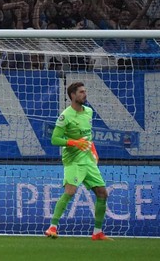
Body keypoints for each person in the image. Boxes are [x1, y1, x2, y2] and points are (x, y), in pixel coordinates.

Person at [45, 81, 110, 241]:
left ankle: (97, 232)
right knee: (70, 191)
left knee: (102, 193)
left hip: (88, 159)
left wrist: (93, 150)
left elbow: (88, 136)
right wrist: (74, 143)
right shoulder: (65, 116)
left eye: (85, 91)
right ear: (73, 95)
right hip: (73, 160)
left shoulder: (88, 111)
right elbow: (54, 139)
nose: (84, 94)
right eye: (81, 92)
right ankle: (52, 227)